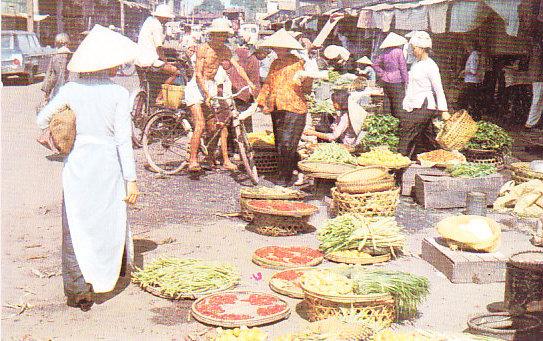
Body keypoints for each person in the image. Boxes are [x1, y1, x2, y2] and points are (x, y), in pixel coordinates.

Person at [36, 25, 139, 311]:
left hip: (78, 165)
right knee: (108, 221)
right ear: (110, 64)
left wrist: (65, 119)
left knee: (75, 226)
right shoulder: (118, 94)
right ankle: (107, 277)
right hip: (108, 167)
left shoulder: (71, 89)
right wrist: (131, 179)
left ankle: (79, 289)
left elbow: (41, 120)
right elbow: (123, 141)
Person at [184, 18, 256, 172]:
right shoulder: (203, 48)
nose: (221, 38)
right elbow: (198, 74)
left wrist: (249, 82)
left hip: (210, 85)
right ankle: (193, 160)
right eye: (218, 35)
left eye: (223, 35)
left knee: (214, 127)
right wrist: (206, 93)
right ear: (212, 35)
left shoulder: (225, 50)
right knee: (201, 124)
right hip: (196, 87)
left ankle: (210, 158)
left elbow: (237, 67)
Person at [257, 29, 315, 186]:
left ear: (288, 48)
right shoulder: (275, 63)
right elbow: (268, 83)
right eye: (275, 48)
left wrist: (307, 79)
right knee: (280, 142)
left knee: (288, 143)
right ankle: (288, 171)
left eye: (280, 48)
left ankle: (286, 176)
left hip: (294, 108)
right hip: (277, 107)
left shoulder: (298, 63)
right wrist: (261, 101)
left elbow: (307, 87)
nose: (277, 51)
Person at [400, 31, 449, 158]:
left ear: (422, 48)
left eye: (414, 48)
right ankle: (438, 158)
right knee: (427, 137)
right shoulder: (416, 63)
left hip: (425, 105)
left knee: (407, 131)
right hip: (415, 103)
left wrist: (444, 110)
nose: (412, 50)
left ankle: (399, 163)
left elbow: (438, 88)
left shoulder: (431, 66)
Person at [135, 4, 180, 103]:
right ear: (162, 17)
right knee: (175, 72)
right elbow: (159, 48)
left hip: (138, 59)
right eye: (167, 18)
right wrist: (166, 62)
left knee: (144, 86)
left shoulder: (148, 21)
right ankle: (159, 98)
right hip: (149, 60)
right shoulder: (157, 26)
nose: (167, 20)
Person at [372, 32, 409, 118]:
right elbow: (403, 67)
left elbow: (374, 64)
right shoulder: (398, 51)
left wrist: (382, 74)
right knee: (398, 105)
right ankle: (397, 123)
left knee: (387, 103)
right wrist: (406, 80)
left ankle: (387, 121)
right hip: (397, 81)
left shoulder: (384, 52)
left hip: (386, 80)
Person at [458, 40, 485, 118]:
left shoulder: (474, 55)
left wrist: (463, 71)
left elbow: (473, 70)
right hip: (473, 81)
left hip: (471, 81)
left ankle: (465, 118)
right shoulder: (476, 55)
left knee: (464, 101)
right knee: (473, 101)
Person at [41, 33, 72, 102]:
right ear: (68, 43)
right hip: (72, 91)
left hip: (59, 91)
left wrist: (47, 92)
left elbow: (52, 77)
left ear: (57, 44)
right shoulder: (73, 57)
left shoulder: (55, 58)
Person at [525, 41, 543, 130]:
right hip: (539, 77)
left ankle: (533, 122)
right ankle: (531, 123)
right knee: (538, 100)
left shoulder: (535, 49)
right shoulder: (537, 50)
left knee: (538, 100)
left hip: (537, 77)